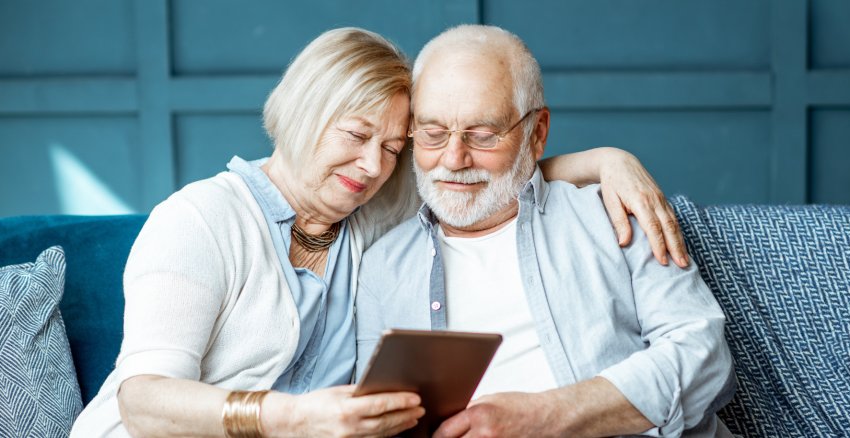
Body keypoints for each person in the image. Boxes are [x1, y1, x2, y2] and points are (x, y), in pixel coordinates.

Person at [70, 27, 686, 437]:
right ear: (302, 113)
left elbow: (474, 174)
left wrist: (606, 161)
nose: (373, 166)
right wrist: (293, 418)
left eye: (394, 146)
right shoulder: (201, 219)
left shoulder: (362, 216)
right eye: (356, 136)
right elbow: (143, 399)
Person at [356, 25, 735, 438]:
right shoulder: (383, 266)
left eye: (483, 135)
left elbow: (703, 355)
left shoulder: (611, 214)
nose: (454, 157)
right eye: (432, 133)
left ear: (537, 133)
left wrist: (549, 415)